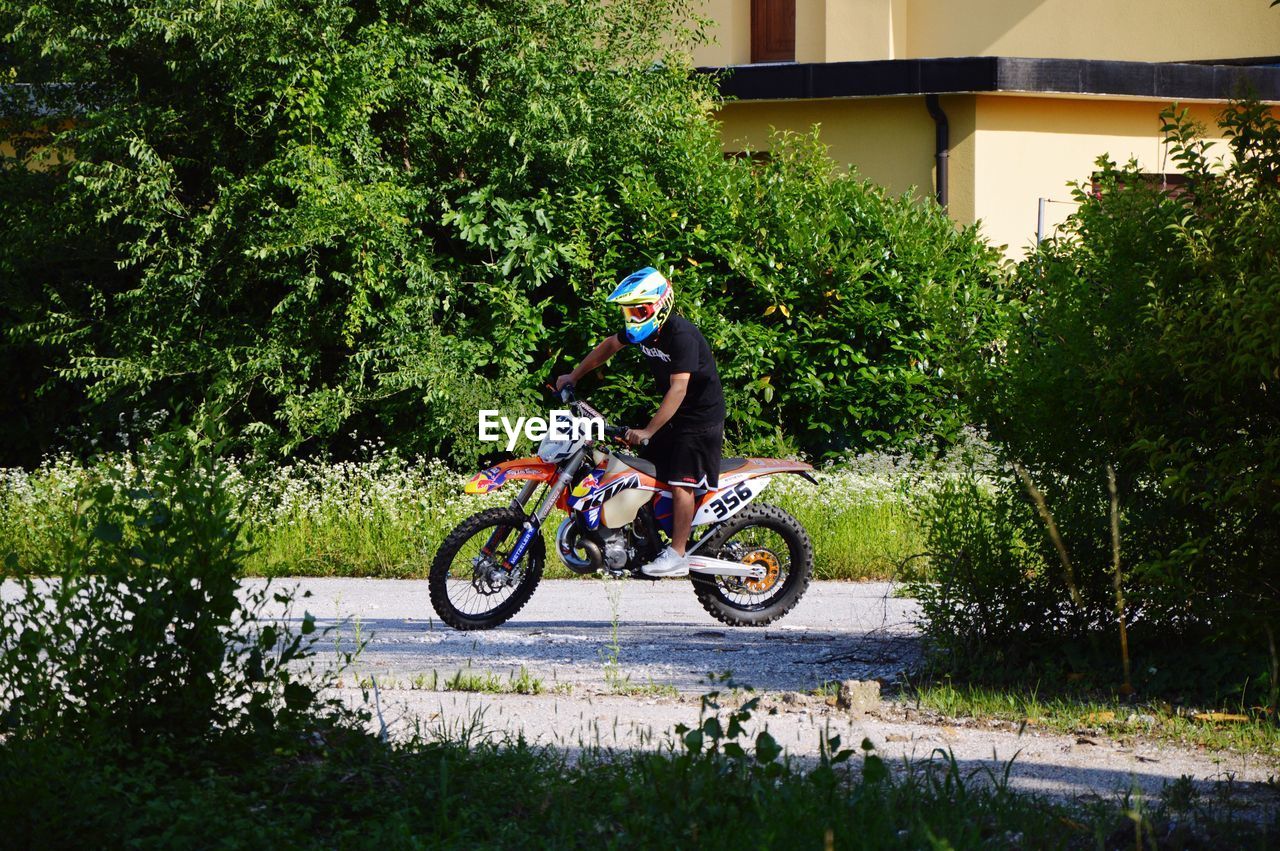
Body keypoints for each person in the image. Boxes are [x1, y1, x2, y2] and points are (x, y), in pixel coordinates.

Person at [554, 266, 726, 578]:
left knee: (681, 482)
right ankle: (647, 539)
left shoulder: (682, 336)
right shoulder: (644, 331)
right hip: (674, 418)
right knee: (643, 473)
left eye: (639, 310)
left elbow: (679, 388)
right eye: (629, 312)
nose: (632, 318)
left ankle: (677, 553)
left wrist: (648, 430)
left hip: (699, 420)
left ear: (660, 305)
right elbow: (609, 346)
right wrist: (574, 376)